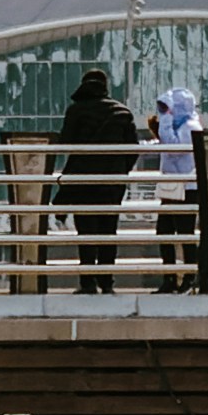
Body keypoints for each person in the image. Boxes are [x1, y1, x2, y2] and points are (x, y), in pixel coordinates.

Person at [46, 66, 133, 293]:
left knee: (86, 232)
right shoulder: (122, 112)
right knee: (108, 232)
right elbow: (133, 149)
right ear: (105, 86)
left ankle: (87, 283)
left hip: (84, 181)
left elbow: (66, 143)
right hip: (112, 183)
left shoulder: (76, 110)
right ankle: (107, 282)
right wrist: (121, 171)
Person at [139, 81, 206, 293]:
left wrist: (165, 120)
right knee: (165, 232)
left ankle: (189, 277)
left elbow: (174, 148)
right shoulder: (180, 126)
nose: (163, 112)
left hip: (187, 188)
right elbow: (164, 146)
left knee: (184, 233)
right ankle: (170, 278)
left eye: (167, 107)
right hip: (172, 188)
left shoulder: (190, 127)